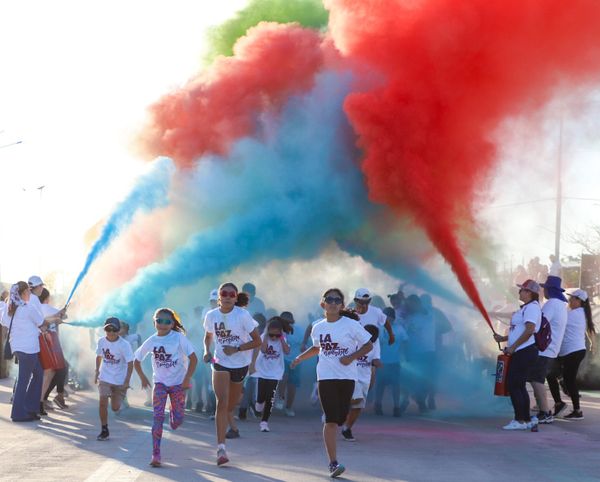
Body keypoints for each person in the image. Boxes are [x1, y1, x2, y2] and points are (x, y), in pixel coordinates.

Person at [291, 288, 373, 478]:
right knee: (330, 419)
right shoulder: (318, 327)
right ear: (323, 304)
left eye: (337, 300)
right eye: (330, 299)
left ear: (342, 305)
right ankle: (333, 463)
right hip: (326, 377)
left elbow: (368, 345)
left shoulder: (351, 325)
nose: (333, 302)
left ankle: (339, 428)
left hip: (347, 377)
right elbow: (317, 348)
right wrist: (299, 358)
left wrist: (351, 357)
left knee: (341, 417)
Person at [203, 282, 261, 466]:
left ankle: (230, 425)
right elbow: (208, 336)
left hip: (240, 363)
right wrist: (206, 350)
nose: (227, 296)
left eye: (231, 294)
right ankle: (221, 448)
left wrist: (237, 348)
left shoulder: (242, 315)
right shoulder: (211, 315)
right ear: (219, 297)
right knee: (221, 403)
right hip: (220, 361)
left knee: (230, 405)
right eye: (224, 293)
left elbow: (257, 341)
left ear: (236, 298)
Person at [134, 308, 198, 467]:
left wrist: (187, 378)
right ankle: (156, 454)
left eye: (167, 321)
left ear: (172, 324)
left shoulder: (178, 338)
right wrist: (142, 377)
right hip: (160, 384)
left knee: (177, 421)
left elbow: (194, 358)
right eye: (159, 320)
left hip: (178, 384)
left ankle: (174, 415)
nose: (162, 324)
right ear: (154, 322)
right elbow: (136, 359)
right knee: (157, 418)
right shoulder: (152, 340)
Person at [7, 282, 65, 422]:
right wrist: (57, 319)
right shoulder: (27, 308)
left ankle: (30, 408)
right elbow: (42, 322)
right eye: (27, 291)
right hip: (28, 349)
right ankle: (18, 413)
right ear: (21, 294)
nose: (29, 293)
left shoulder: (12, 308)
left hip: (21, 348)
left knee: (38, 374)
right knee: (24, 381)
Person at [493, 279, 541, 430]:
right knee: (518, 385)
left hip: (524, 352)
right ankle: (525, 419)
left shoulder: (532, 308)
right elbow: (519, 330)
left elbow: (529, 330)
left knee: (514, 385)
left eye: (522, 290)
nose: (519, 292)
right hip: (522, 351)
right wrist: (504, 338)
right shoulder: (526, 308)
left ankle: (519, 420)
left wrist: (513, 347)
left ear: (529, 293)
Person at [549, 289, 595, 420]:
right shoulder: (581, 313)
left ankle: (576, 410)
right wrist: (592, 343)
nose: (570, 300)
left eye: (573, 298)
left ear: (579, 301)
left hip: (572, 351)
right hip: (572, 351)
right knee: (557, 375)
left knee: (563, 378)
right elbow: (589, 330)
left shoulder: (574, 314)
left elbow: (557, 322)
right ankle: (563, 400)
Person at [528, 276, 568, 424]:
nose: (543, 291)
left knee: (536, 380)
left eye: (544, 288)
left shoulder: (551, 304)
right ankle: (542, 409)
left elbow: (538, 322)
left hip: (544, 349)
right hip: (551, 349)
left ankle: (545, 412)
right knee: (537, 379)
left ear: (549, 290)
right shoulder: (560, 305)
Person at [95, 317, 134, 441]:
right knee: (102, 403)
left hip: (119, 380)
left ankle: (117, 396)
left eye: (114, 330)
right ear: (105, 329)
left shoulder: (124, 345)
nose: (111, 333)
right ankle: (104, 429)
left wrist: (127, 381)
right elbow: (99, 356)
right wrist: (96, 371)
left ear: (119, 330)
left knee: (115, 407)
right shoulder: (101, 341)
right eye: (108, 329)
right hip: (105, 377)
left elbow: (130, 363)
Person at [341, 324, 381, 442]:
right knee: (356, 399)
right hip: (351, 375)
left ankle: (347, 428)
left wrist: (377, 363)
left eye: (374, 339)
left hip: (365, 377)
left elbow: (375, 359)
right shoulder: (353, 341)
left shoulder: (375, 343)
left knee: (358, 406)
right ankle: (337, 409)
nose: (372, 341)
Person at [250, 317, 290, 432]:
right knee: (260, 398)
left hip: (275, 372)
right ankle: (257, 407)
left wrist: (281, 338)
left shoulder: (282, 339)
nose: (274, 338)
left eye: (276, 335)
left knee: (270, 397)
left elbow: (287, 351)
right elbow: (263, 350)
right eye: (271, 335)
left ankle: (264, 422)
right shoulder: (263, 337)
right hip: (262, 371)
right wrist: (266, 336)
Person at [404, 294, 435, 413]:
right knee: (415, 378)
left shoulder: (428, 313)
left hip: (428, 351)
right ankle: (420, 401)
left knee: (428, 379)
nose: (410, 306)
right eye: (409, 304)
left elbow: (424, 308)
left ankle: (422, 399)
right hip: (413, 352)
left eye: (412, 303)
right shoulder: (409, 317)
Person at [375, 307, 408, 416]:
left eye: (389, 318)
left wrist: (404, 356)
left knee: (396, 385)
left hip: (395, 362)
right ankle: (378, 405)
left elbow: (405, 342)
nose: (387, 320)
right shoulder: (378, 329)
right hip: (381, 362)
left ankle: (396, 407)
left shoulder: (399, 329)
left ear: (393, 318)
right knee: (380, 385)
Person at [38, 288, 67, 414]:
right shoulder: (47, 307)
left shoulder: (37, 307)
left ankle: (50, 397)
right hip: (50, 341)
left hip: (44, 341)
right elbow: (64, 316)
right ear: (47, 298)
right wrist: (62, 312)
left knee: (55, 370)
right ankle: (44, 399)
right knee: (57, 370)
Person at [277, 311, 302, 416]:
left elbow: (304, 343)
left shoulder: (299, 330)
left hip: (296, 360)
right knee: (283, 378)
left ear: (292, 321)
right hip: (281, 359)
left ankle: (289, 407)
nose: (286, 324)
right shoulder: (277, 329)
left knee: (292, 385)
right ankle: (280, 399)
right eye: (284, 321)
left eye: (288, 322)